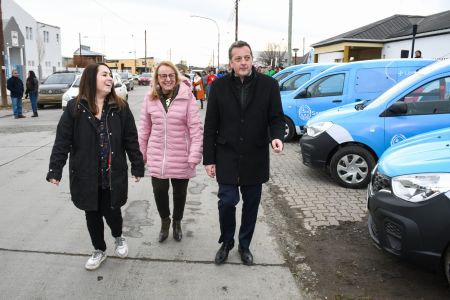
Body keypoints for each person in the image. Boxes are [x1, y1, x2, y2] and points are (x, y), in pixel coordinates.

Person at [46, 63, 145, 271]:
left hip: (112, 174)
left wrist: (137, 165)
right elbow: (62, 141)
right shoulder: (75, 108)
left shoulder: (120, 107)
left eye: (110, 75)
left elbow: (131, 139)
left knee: (112, 212)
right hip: (85, 174)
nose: (109, 78)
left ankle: (118, 237)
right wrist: (55, 169)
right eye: (104, 75)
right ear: (91, 79)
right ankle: (99, 249)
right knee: (91, 213)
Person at [203, 40, 285, 266]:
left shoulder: (269, 85)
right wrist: (209, 159)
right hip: (226, 155)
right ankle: (227, 242)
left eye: (246, 57)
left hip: (255, 156)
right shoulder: (218, 87)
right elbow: (210, 125)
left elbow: (276, 118)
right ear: (231, 62)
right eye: (238, 59)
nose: (243, 62)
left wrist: (277, 137)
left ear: (252, 59)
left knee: (251, 205)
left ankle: (244, 245)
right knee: (227, 202)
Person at [139, 61, 203, 243]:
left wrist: (194, 154)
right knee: (159, 191)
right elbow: (144, 129)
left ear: (176, 77)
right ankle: (165, 221)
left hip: (181, 155)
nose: (167, 79)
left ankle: (177, 222)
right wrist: (140, 156)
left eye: (170, 75)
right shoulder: (150, 98)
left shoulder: (186, 96)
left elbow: (195, 128)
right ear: (157, 78)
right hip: (157, 155)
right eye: (163, 76)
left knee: (179, 193)